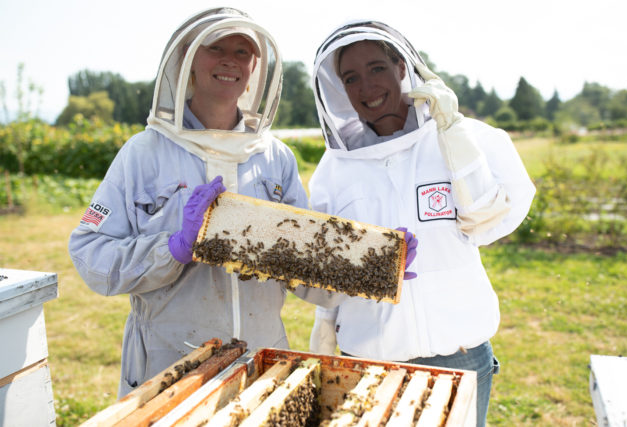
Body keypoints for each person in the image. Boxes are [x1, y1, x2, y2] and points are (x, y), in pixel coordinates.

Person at [68, 7, 331, 398]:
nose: (229, 59)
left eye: (242, 51)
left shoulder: (276, 157)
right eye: (215, 47)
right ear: (188, 60)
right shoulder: (143, 153)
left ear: (255, 67)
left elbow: (301, 266)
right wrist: (173, 248)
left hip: (262, 360)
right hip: (170, 367)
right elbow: (91, 255)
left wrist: (368, 262)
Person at [307, 20, 536, 426]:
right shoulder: (333, 170)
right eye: (351, 77)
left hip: (458, 357)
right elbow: (324, 267)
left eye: (377, 68)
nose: (367, 87)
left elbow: (488, 222)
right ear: (339, 88)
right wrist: (326, 322)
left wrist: (456, 138)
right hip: (369, 360)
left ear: (402, 67)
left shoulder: (466, 138)